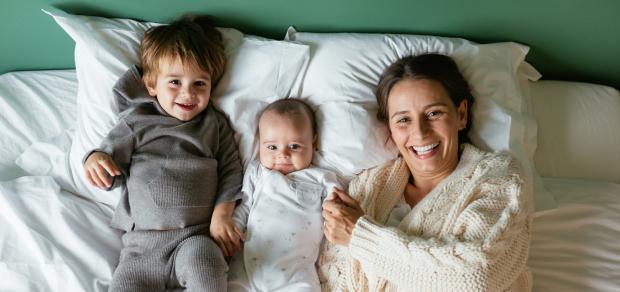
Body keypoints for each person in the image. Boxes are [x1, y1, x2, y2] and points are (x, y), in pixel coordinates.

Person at [319, 53, 533, 291]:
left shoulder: (498, 177)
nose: (420, 133)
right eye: (403, 120)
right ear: (389, 127)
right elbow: (332, 281)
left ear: (461, 115)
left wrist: (360, 236)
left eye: (434, 113)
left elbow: (476, 278)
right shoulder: (366, 188)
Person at [82, 15, 243, 291]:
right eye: (175, 82)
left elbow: (230, 169)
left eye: (199, 84)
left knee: (207, 266)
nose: (187, 94)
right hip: (140, 248)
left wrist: (222, 214)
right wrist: (95, 160)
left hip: (193, 240)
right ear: (152, 85)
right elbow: (110, 164)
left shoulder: (213, 125)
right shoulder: (136, 122)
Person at [223, 99, 342, 292]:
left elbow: (336, 206)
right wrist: (233, 228)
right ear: (260, 144)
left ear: (313, 141)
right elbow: (245, 205)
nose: (283, 155)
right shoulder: (258, 172)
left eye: (294, 146)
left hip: (297, 273)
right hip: (247, 266)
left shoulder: (320, 178)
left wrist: (336, 208)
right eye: (272, 147)